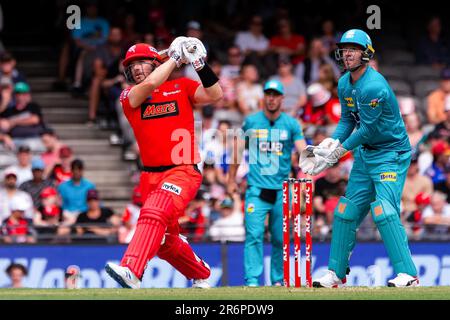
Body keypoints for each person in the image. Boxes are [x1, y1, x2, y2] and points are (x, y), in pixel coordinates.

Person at [300, 29, 419, 287]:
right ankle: (336, 273)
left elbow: (368, 130)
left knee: (384, 211)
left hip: (390, 153)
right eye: (344, 49)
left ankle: (408, 274)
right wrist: (330, 143)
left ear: (366, 53)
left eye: (353, 48)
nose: (347, 53)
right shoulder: (344, 83)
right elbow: (347, 120)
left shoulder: (374, 86)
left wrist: (337, 154)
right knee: (345, 212)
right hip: (367, 154)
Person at [104, 37, 223, 289]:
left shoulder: (181, 87)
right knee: (166, 243)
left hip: (183, 170)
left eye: (141, 63)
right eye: (131, 65)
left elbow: (215, 93)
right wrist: (175, 58)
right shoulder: (129, 96)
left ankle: (132, 270)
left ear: (156, 62)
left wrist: (199, 63)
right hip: (150, 176)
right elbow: (151, 83)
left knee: (154, 211)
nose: (135, 68)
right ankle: (201, 273)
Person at [228, 79, 306, 286]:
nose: (271, 99)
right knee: (253, 235)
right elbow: (237, 150)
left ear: (282, 98)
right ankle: (252, 280)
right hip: (257, 189)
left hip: (282, 190)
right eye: (268, 94)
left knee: (280, 239)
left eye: (275, 95)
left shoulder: (291, 124)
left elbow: (303, 151)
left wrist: (308, 176)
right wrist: (231, 180)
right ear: (264, 97)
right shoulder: (252, 121)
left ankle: (278, 280)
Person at [57, 159, 96, 224]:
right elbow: (59, 204)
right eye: (74, 169)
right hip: (68, 216)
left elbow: (95, 203)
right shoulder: (62, 186)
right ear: (71, 170)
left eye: (79, 169)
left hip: (85, 215)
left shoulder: (90, 186)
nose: (77, 172)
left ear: (82, 170)